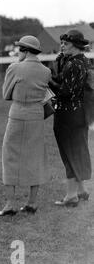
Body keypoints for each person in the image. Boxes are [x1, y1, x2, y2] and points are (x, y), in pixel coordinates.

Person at [0, 36, 51, 216]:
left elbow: (6, 94)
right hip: (37, 116)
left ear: (25, 50)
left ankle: (11, 203)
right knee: (35, 156)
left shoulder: (14, 68)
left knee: (10, 156)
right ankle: (32, 202)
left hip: (18, 114)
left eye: (20, 49)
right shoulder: (46, 71)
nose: (18, 53)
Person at [50, 30, 92, 207]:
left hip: (68, 114)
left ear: (75, 45)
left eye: (65, 44)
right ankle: (81, 190)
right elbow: (64, 81)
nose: (62, 46)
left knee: (69, 153)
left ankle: (71, 196)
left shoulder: (73, 64)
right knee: (78, 151)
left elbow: (66, 92)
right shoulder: (82, 61)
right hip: (79, 113)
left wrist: (47, 81)